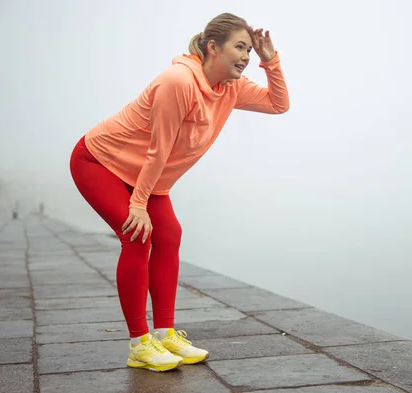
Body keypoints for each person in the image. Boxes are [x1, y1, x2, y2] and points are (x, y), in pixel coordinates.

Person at [69, 12, 289, 372]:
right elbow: (160, 148)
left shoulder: (231, 88)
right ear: (213, 47)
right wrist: (137, 205)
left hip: (145, 174)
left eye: (249, 49)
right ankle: (139, 345)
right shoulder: (178, 81)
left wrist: (270, 60)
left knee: (169, 235)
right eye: (240, 47)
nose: (246, 56)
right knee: (138, 237)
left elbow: (279, 104)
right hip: (100, 161)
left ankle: (165, 332)